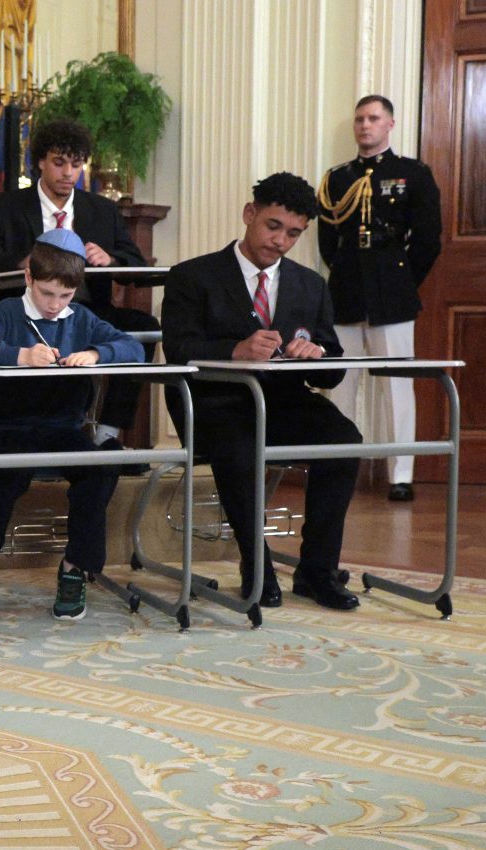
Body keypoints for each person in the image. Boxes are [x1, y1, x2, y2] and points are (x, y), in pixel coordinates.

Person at [161, 172, 361, 611]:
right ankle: (258, 567)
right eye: (273, 226)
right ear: (250, 215)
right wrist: (235, 350)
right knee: (238, 448)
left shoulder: (311, 284)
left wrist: (317, 354)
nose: (281, 241)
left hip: (283, 400)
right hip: (214, 401)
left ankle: (317, 571)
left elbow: (332, 371)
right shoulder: (192, 276)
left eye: (294, 233)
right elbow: (178, 349)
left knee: (345, 442)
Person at [0, 229, 143, 621]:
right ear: (29, 277)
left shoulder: (80, 318)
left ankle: (75, 568)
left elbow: (133, 347)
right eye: (47, 294)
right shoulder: (8, 313)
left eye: (64, 296)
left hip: (61, 428)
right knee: (10, 470)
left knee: (100, 467)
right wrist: (19, 356)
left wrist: (96, 353)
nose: (54, 305)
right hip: (7, 426)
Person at [0, 119, 157, 455]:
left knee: (145, 328)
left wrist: (111, 259)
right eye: (59, 163)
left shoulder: (101, 209)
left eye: (76, 164)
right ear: (40, 161)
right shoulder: (6, 206)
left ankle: (108, 432)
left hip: (88, 311)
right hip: (26, 311)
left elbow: (138, 268)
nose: (68, 173)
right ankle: (18, 435)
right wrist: (27, 262)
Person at [317, 94, 442, 502]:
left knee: (397, 387)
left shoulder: (413, 174)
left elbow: (427, 241)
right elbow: (328, 242)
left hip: (392, 294)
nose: (364, 126)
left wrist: (402, 283)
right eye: (359, 119)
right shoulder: (336, 178)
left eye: (373, 118)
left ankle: (399, 474)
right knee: (340, 385)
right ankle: (339, 466)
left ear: (390, 124)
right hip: (347, 292)